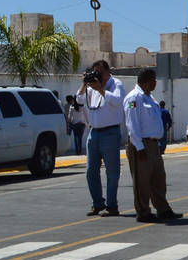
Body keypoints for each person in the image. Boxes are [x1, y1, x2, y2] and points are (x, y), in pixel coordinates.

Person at [123, 69, 182, 224]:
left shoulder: (150, 98)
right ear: (146, 81)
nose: (156, 83)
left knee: (158, 178)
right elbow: (132, 125)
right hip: (141, 144)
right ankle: (143, 211)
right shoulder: (134, 98)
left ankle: (163, 209)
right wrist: (139, 147)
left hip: (154, 144)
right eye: (154, 80)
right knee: (142, 181)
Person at [76, 59, 125, 216]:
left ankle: (112, 206)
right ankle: (97, 203)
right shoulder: (91, 87)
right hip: (94, 132)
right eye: (94, 71)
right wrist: (85, 83)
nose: (97, 75)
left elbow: (118, 101)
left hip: (110, 132)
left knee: (112, 171)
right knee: (91, 171)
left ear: (107, 71)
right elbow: (79, 100)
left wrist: (101, 89)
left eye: (100, 72)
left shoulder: (116, 84)